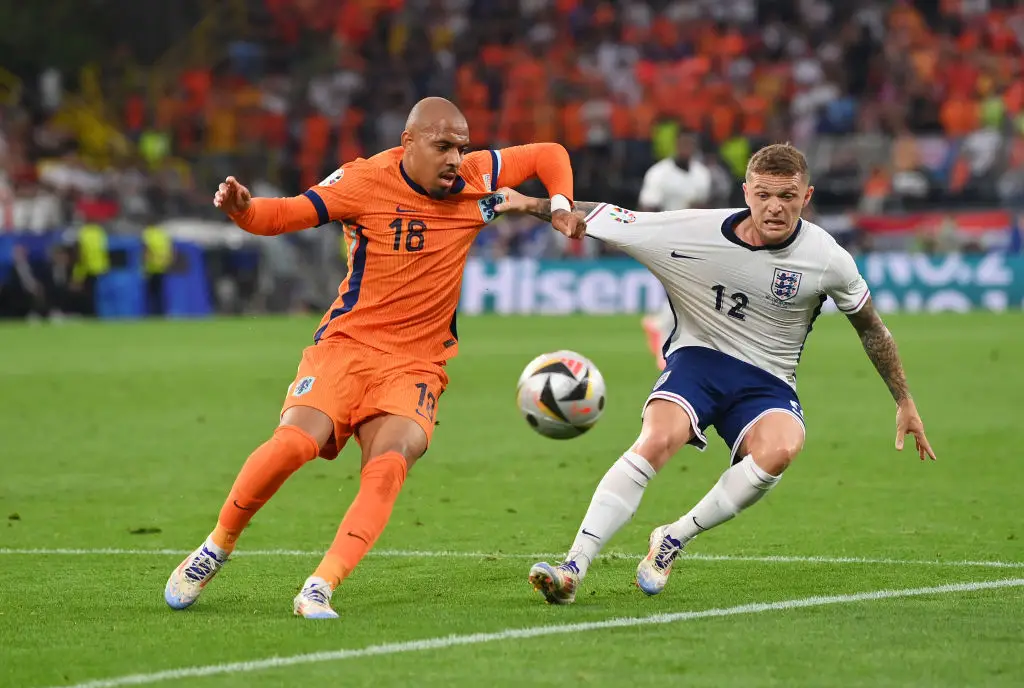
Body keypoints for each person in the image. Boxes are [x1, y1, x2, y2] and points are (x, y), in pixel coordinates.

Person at [164, 97, 585, 619]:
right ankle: (215, 548)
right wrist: (243, 210)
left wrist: (559, 203)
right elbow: (288, 213)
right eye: (443, 147)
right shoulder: (364, 181)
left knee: (389, 464)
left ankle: (320, 585)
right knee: (294, 443)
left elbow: (550, 152)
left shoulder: (476, 176)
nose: (457, 158)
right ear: (408, 144)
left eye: (462, 147)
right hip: (347, 347)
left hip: (416, 364)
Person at [493, 142, 936, 605]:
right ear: (746, 192)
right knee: (657, 440)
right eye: (764, 194)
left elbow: (872, 329)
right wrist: (533, 204)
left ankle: (672, 538)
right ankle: (572, 567)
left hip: (768, 380)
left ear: (806, 197)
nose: (774, 207)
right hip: (698, 360)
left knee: (781, 449)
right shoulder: (693, 229)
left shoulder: (827, 258)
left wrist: (903, 400)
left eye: (787, 196)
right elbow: (605, 216)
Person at [637, 130, 713, 371]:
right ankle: (663, 331)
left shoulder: (702, 174)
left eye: (690, 146)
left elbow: (702, 206)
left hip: (692, 238)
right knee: (685, 285)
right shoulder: (659, 174)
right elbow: (647, 206)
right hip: (665, 236)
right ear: (676, 146)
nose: (686, 150)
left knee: (690, 286)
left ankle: (659, 324)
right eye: (683, 145)